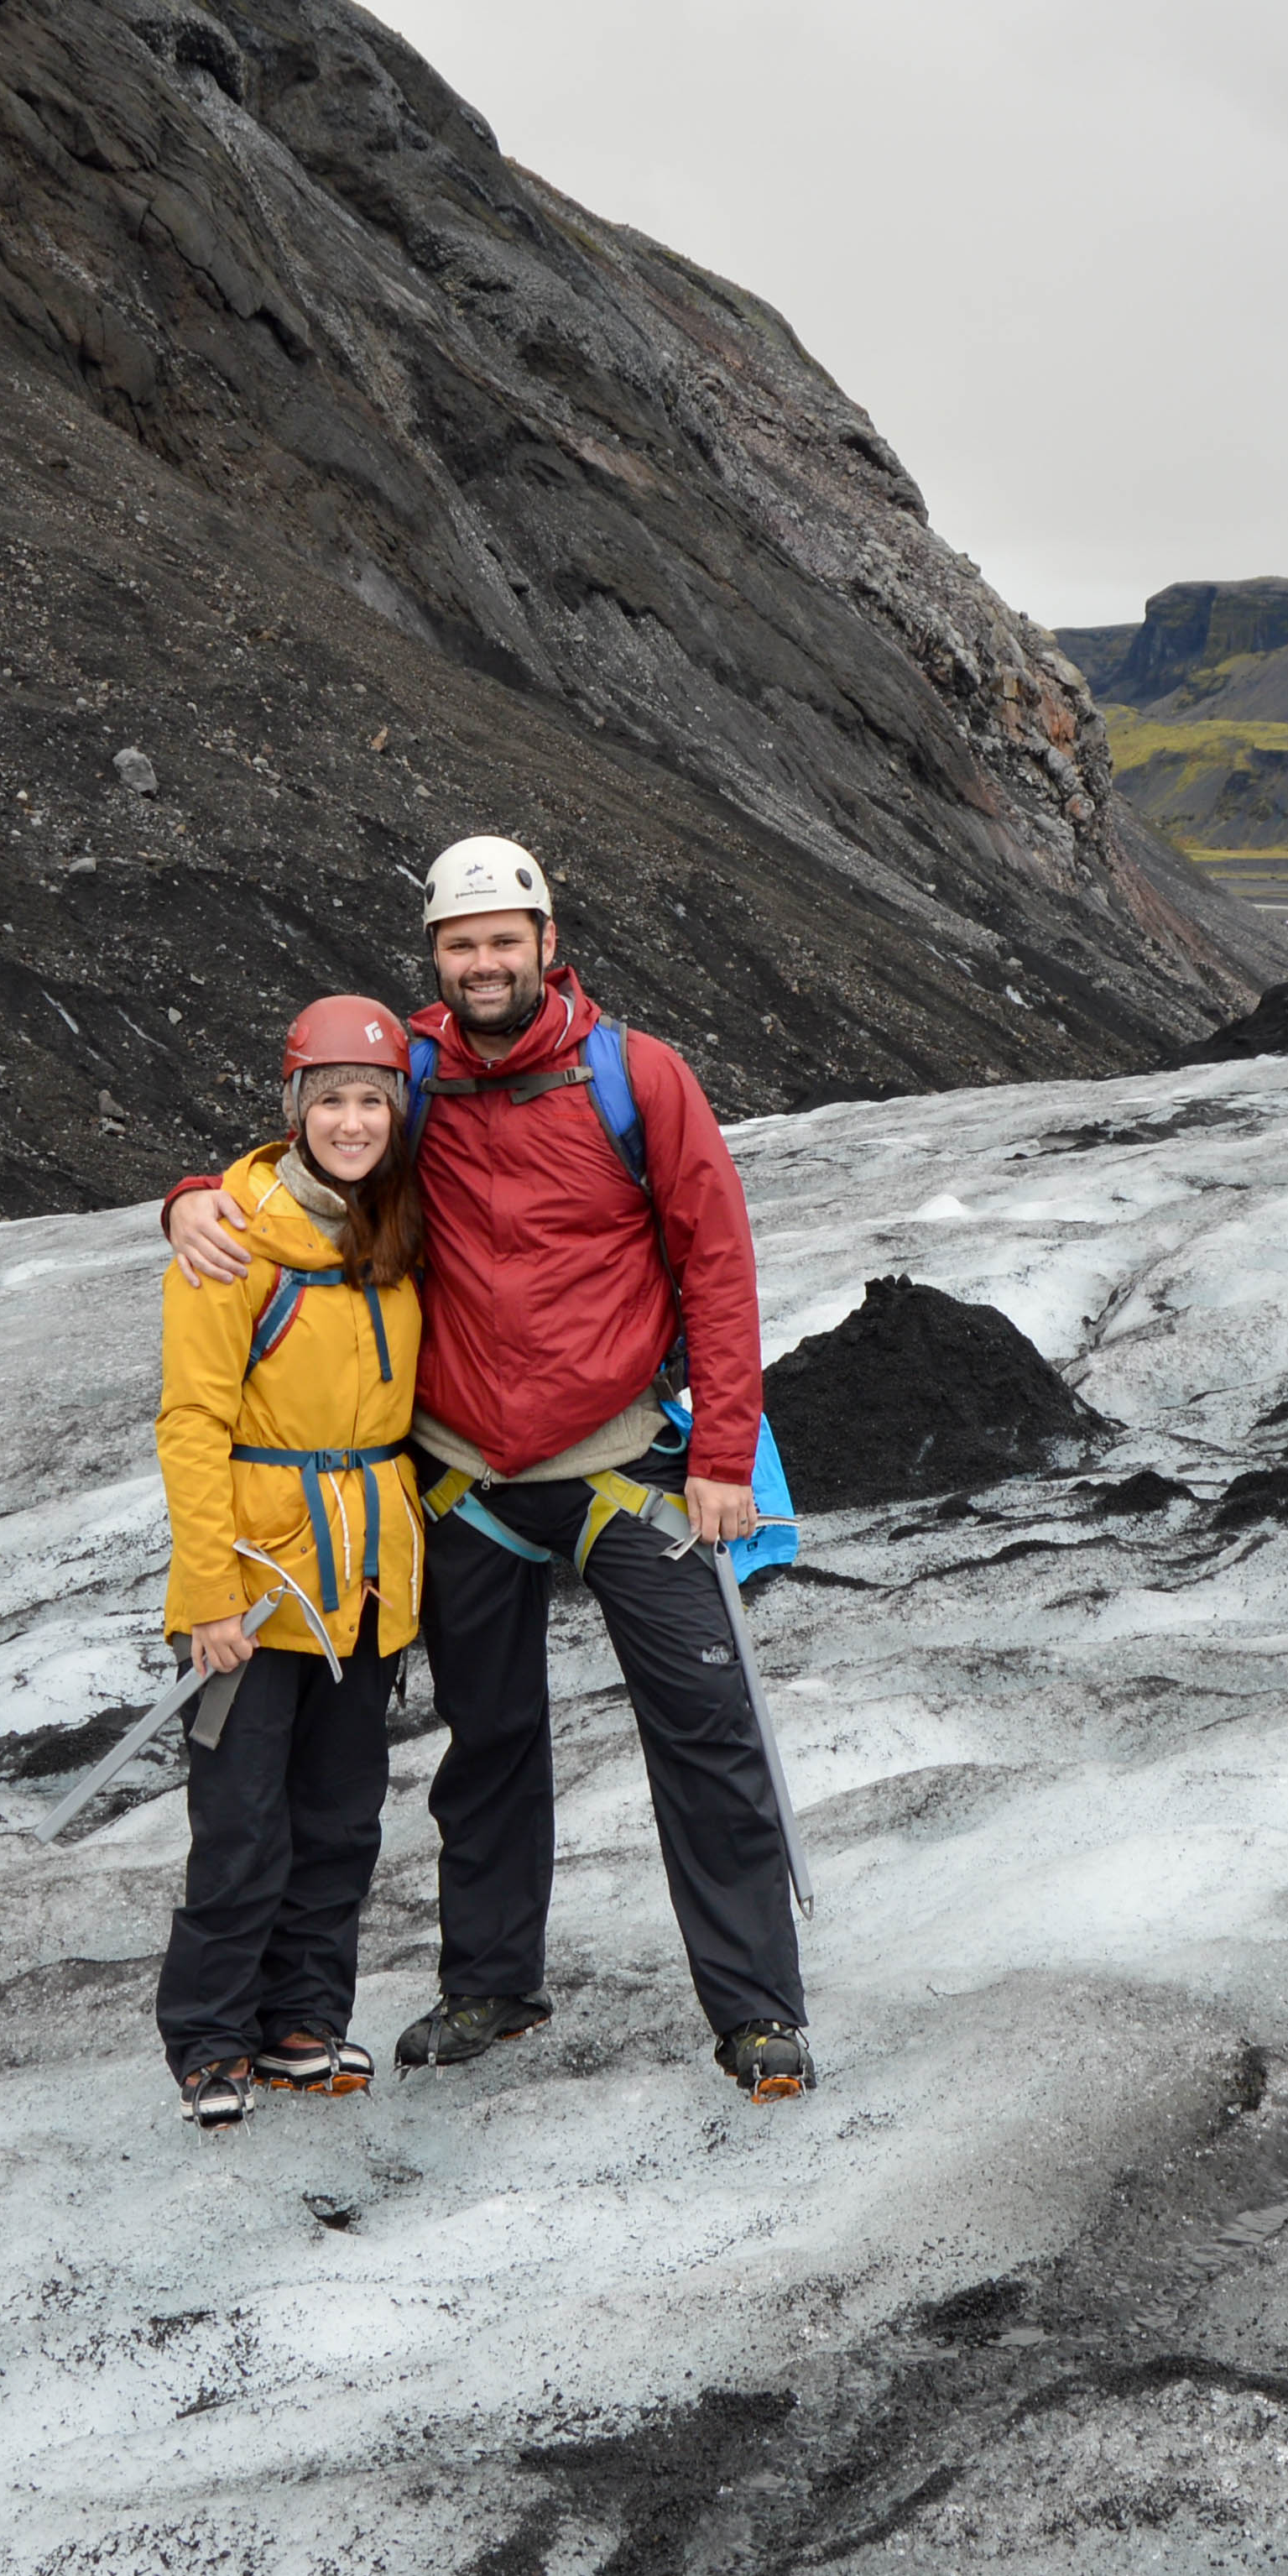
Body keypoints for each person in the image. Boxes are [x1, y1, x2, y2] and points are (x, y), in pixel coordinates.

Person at [166, 839, 812, 2103]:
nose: (483, 964)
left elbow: (718, 1265)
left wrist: (726, 1454)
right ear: (436, 959)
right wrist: (190, 1195)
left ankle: (755, 2012)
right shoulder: (406, 1074)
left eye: (502, 940)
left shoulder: (639, 1077)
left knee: (706, 1732)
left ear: (546, 938)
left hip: (626, 1465)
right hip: (464, 1480)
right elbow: (300, 1156)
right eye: (460, 946)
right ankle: (492, 1985)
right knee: (490, 1745)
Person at [153, 997, 425, 2130]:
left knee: (341, 1815)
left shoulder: (401, 1227)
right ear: (296, 1109)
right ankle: (213, 2038)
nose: (353, 1121)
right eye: (332, 1101)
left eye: (372, 1100)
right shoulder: (229, 1240)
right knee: (244, 1822)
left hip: (367, 1582)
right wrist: (211, 1594)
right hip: (258, 1584)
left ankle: (305, 2022)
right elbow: (191, 1424)